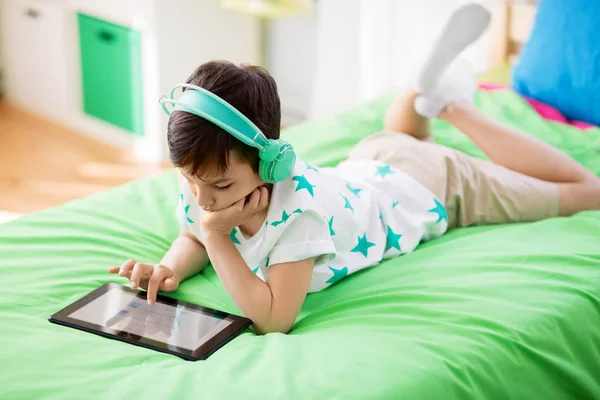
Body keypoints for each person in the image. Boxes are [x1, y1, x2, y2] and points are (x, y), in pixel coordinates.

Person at [109, 3, 600, 334]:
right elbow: (195, 232)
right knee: (401, 140)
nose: (202, 199)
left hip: (434, 183)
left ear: (270, 162)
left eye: (218, 186)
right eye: (190, 180)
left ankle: (452, 107)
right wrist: (170, 267)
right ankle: (418, 92)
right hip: (374, 162)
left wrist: (218, 238)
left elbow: (275, 318)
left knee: (585, 190)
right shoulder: (206, 180)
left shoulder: (296, 216)